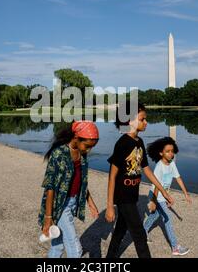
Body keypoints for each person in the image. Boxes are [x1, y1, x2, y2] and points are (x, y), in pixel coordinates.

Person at [105, 102, 174, 258]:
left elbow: (147, 170)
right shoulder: (122, 144)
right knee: (139, 234)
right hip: (123, 197)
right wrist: (110, 206)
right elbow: (112, 176)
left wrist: (164, 192)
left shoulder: (139, 142)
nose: (146, 122)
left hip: (132, 196)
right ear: (129, 121)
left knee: (120, 231)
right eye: (142, 119)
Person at [38, 121, 100, 258]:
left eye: (91, 147)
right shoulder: (59, 154)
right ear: (76, 138)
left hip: (72, 203)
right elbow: (50, 187)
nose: (88, 150)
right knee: (76, 250)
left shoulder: (81, 153)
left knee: (58, 247)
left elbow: (81, 181)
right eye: (87, 146)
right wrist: (48, 218)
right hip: (60, 205)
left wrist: (90, 202)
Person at [144, 136, 191, 256]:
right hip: (156, 195)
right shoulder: (159, 167)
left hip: (162, 196)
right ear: (161, 153)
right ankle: (175, 247)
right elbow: (155, 186)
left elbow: (178, 178)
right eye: (167, 151)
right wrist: (154, 201)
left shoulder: (172, 164)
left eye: (172, 151)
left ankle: (142, 232)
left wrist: (186, 194)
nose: (171, 154)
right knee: (168, 219)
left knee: (154, 216)